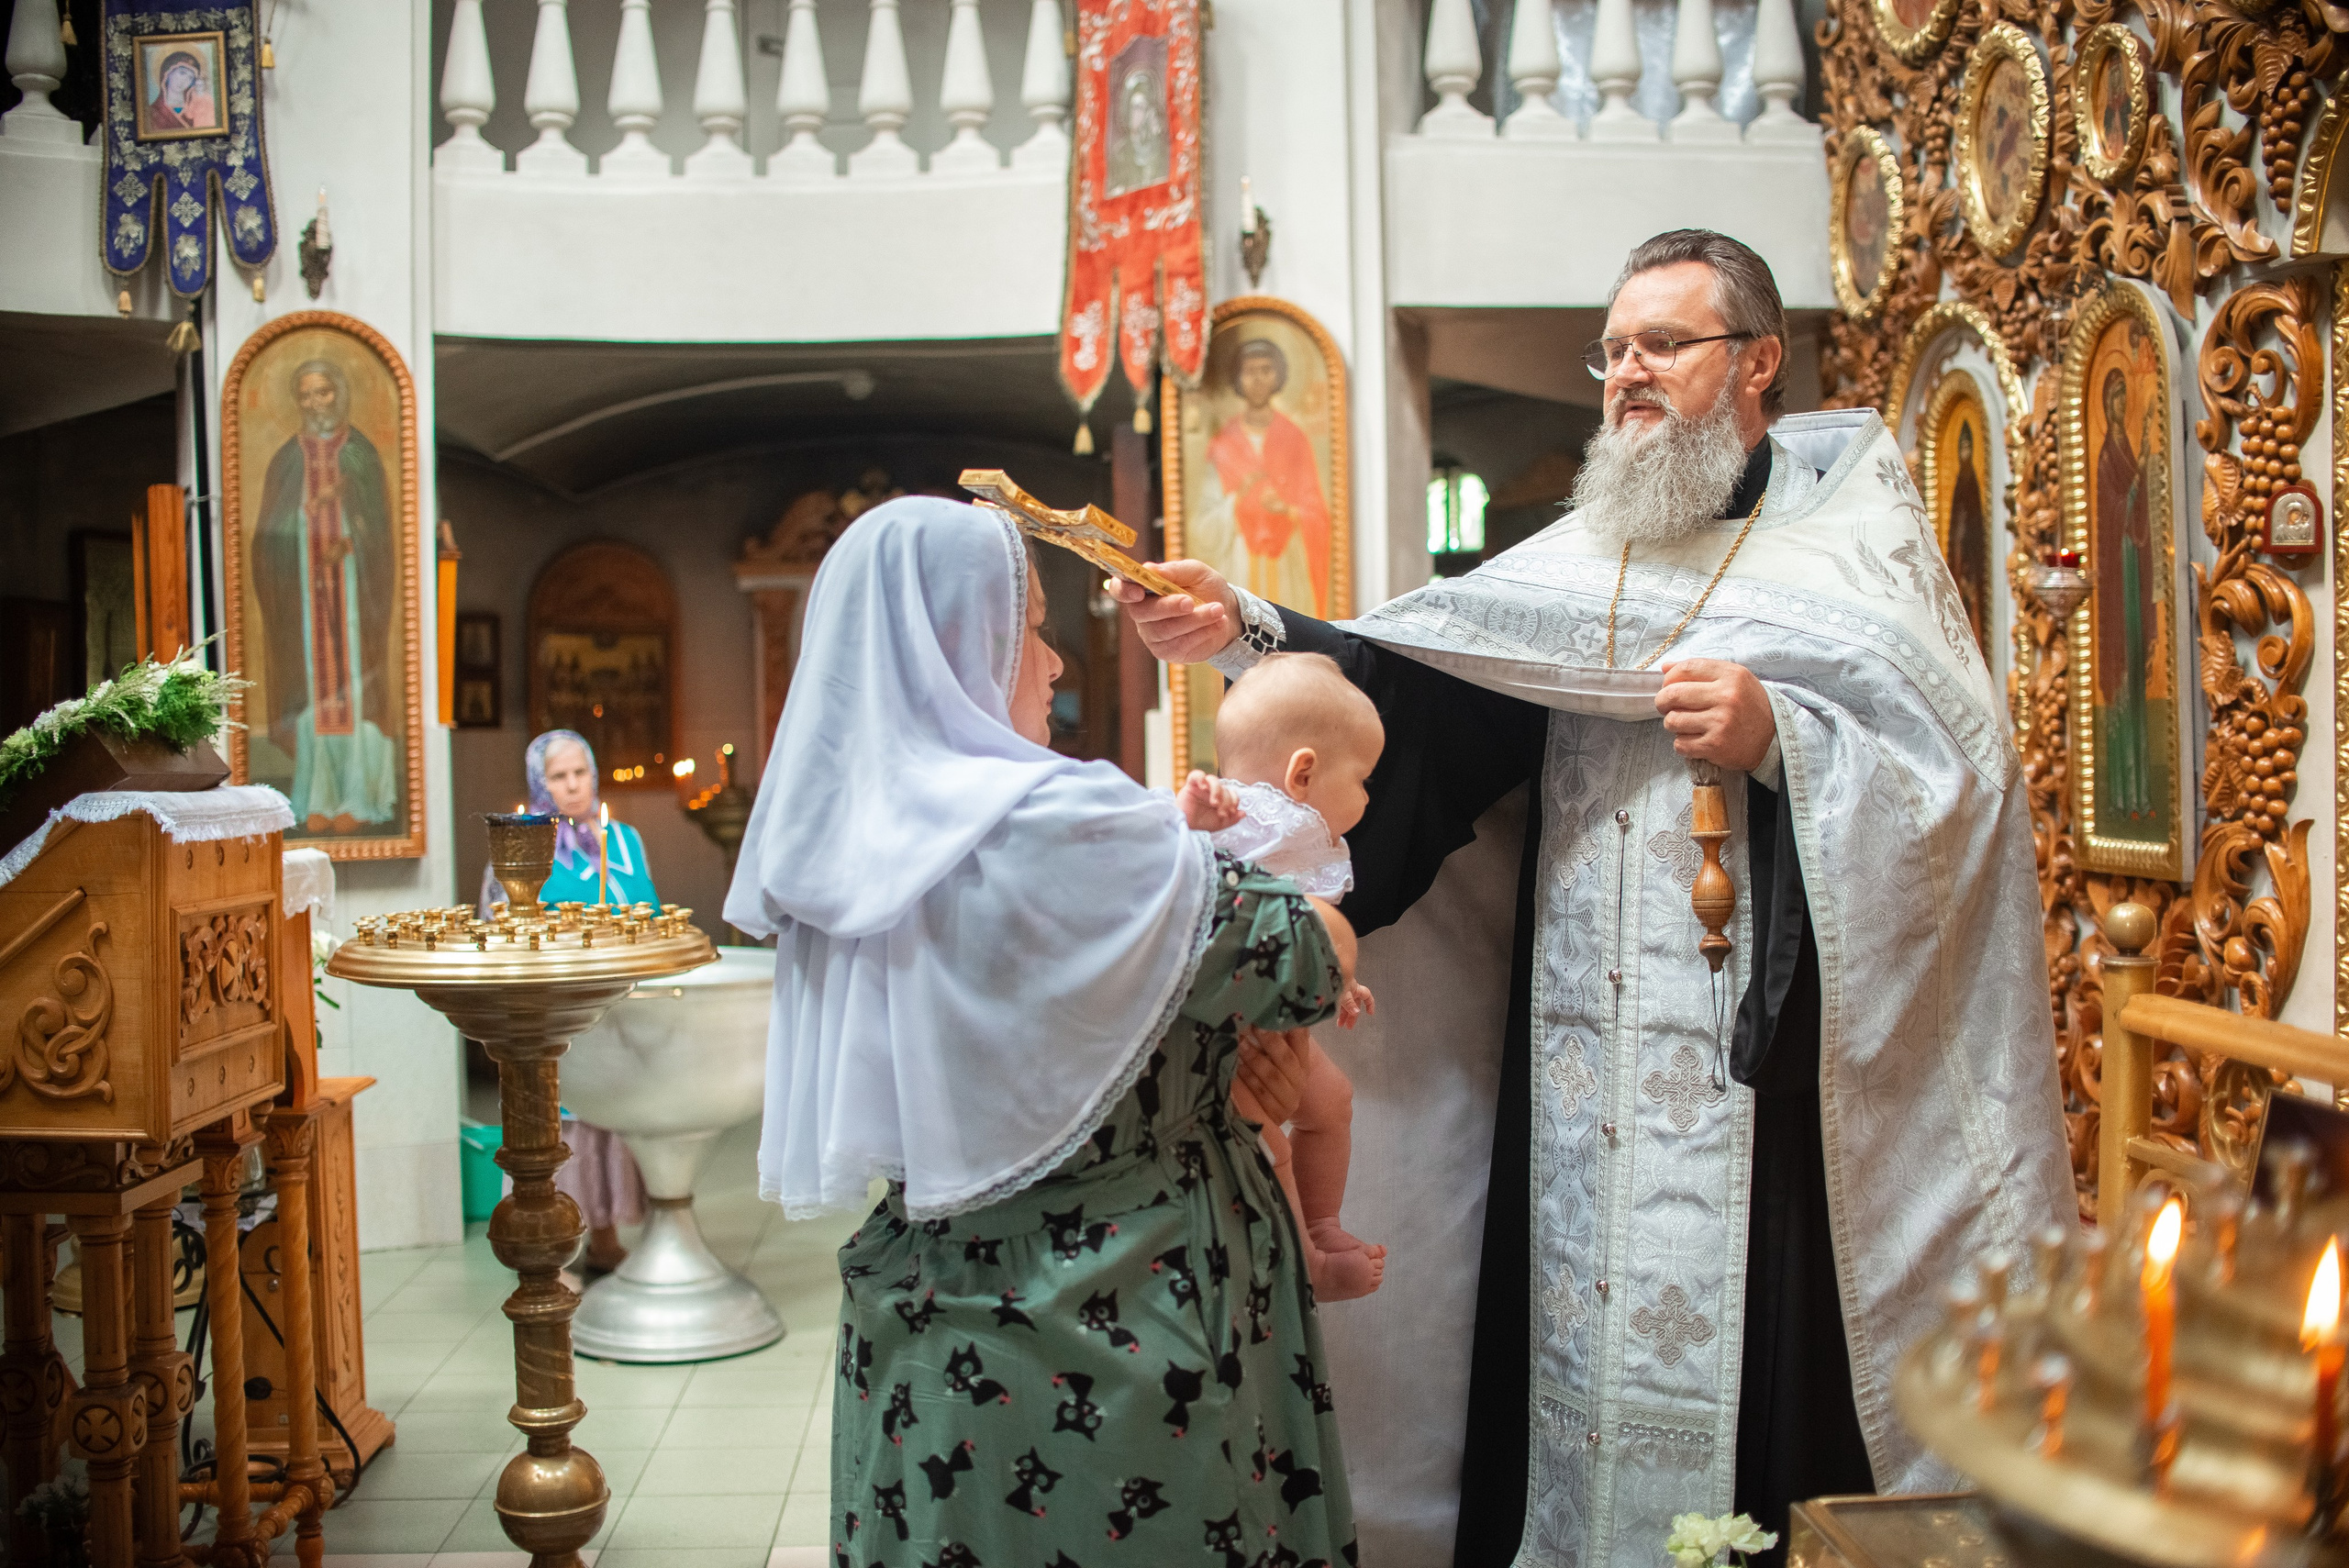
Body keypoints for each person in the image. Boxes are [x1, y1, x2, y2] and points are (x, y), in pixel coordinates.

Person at [1109, 229, 2074, 1567]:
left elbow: (1953, 788)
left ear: (1756, 364)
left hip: (1759, 1090)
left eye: (1662, 345)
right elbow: (1420, 699)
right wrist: (1250, 633)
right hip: (1576, 1074)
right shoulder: (1579, 557)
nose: (1626, 374)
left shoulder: (1852, 552)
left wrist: (1783, 738)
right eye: (1613, 349)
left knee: (1755, 1391)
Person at [725, 497, 1358, 1564]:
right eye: (1031, 628)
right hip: (1129, 1296)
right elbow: (1300, 962)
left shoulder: (838, 839)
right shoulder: (1060, 823)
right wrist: (1324, 916)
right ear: (960, 641)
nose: (1056, 662)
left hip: (934, 1309)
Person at [1175, 652, 1387, 1302]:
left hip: (1270, 1023)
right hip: (1226, 1036)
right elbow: (1191, 857)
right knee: (1273, 1144)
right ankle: (1310, 1266)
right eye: (1363, 779)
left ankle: (1323, 1223)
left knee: (1333, 1104)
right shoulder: (1252, 812)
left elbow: (1307, 932)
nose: (1368, 797)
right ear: (1304, 771)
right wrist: (1194, 809)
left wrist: (1341, 983)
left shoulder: (1294, 832)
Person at [479, 728, 652, 1274]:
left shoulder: (623, 840)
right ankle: (549, 1249)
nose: (573, 786)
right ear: (539, 783)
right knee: (558, 1126)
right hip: (552, 1011)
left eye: (581, 773)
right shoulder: (521, 848)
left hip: (616, 1006)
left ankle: (604, 1238)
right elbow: (497, 929)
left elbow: (648, 911)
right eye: (559, 776)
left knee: (606, 1123)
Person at [253, 360, 399, 834]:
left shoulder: (361, 454)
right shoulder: (286, 460)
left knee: (355, 687)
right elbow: (267, 538)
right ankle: (316, 796)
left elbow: (381, 531)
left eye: (324, 394)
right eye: (306, 396)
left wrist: (353, 542)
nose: (316, 405)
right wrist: (302, 533)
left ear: (340, 395)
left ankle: (358, 797)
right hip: (304, 592)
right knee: (315, 687)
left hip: (354, 593)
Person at [1196, 339, 1334, 617]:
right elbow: (1201, 525)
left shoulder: (1294, 438)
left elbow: (1317, 510)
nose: (1257, 380)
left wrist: (1287, 509)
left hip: (1286, 561)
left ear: (1278, 376)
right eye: (1249, 372)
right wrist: (1238, 499)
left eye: (1266, 370)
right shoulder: (1224, 443)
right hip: (1240, 560)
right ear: (1238, 379)